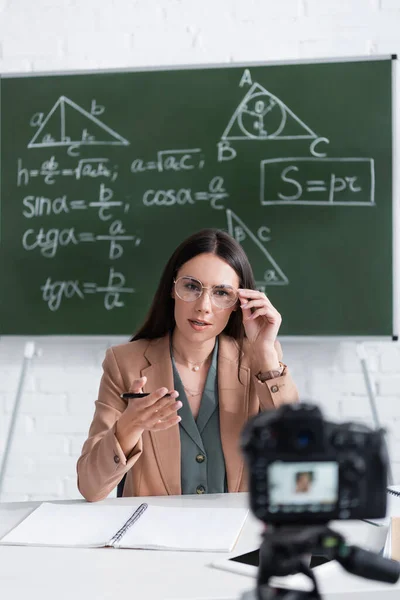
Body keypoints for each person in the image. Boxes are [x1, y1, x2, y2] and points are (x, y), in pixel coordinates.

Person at [77, 229, 299, 501]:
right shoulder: (125, 363)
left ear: (238, 304)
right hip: (154, 535)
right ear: (172, 289)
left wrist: (265, 354)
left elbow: (299, 453)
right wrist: (128, 427)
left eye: (221, 293)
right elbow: (90, 487)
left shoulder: (261, 359)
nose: (204, 306)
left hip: (238, 537)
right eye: (192, 287)